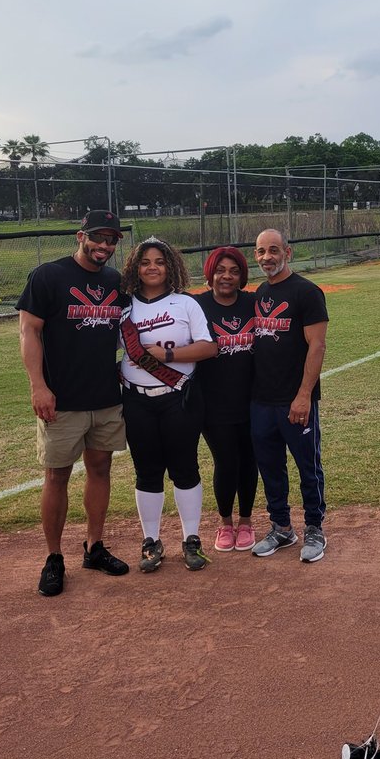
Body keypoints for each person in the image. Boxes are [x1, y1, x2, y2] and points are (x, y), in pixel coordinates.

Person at [17, 209, 130, 597]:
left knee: (100, 470)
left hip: (104, 397)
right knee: (57, 476)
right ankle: (53, 559)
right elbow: (29, 331)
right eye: (98, 237)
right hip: (61, 399)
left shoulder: (116, 282)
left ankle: (94, 547)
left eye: (112, 239)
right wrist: (38, 385)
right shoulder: (49, 275)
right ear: (80, 236)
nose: (105, 245)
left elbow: (129, 332)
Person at [120, 237, 218, 574]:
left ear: (170, 266)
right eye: (145, 261)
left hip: (179, 398)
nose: (152, 267)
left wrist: (170, 355)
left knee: (184, 468)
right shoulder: (124, 308)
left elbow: (209, 348)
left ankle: (191, 539)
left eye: (159, 261)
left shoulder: (185, 304)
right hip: (137, 399)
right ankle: (151, 541)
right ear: (135, 267)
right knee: (147, 471)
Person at [249, 229, 329, 563]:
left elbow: (317, 345)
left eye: (272, 250)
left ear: (287, 252)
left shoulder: (307, 292)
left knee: (308, 467)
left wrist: (303, 395)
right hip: (261, 401)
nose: (266, 257)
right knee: (270, 468)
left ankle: (314, 529)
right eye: (259, 251)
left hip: (294, 400)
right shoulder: (260, 293)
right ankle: (281, 527)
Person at [193, 246, 259, 553]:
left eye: (234, 271)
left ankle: (245, 522)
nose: (227, 277)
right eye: (221, 270)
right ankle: (225, 522)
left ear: (242, 275)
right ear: (210, 273)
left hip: (254, 399)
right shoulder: (197, 306)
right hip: (213, 401)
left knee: (249, 460)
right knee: (225, 461)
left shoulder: (253, 303)